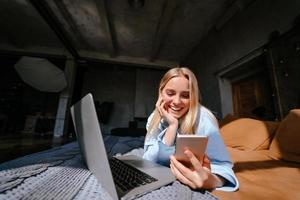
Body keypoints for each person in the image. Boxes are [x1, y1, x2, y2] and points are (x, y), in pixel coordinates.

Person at [143, 67, 239, 191]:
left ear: (193, 97)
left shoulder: (205, 120)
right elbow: (148, 159)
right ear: (161, 93)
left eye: (185, 95)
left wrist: (209, 181)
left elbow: (224, 167)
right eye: (170, 93)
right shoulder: (154, 117)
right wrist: (172, 126)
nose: (177, 102)